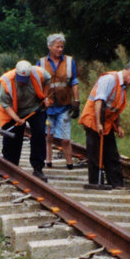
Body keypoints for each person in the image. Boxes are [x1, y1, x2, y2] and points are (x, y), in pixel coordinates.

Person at [78, 62, 130, 188]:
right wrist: (98, 124)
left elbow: (115, 108)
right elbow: (99, 101)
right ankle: (95, 183)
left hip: (107, 122)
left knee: (112, 154)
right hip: (93, 119)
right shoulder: (109, 79)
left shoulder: (122, 86)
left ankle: (116, 183)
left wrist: (118, 126)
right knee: (95, 154)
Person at [0, 59, 51, 181]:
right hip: (14, 111)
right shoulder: (6, 81)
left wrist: (44, 96)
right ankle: (10, 166)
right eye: (20, 81)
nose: (22, 83)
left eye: (25, 81)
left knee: (39, 133)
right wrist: (17, 119)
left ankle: (38, 168)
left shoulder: (38, 73)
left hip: (35, 108)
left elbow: (48, 79)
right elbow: (6, 105)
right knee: (13, 138)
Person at [37, 33, 80, 170]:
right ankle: (48, 161)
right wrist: (41, 99)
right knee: (48, 136)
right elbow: (36, 82)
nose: (60, 49)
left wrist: (76, 101)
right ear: (50, 47)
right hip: (47, 107)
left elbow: (74, 81)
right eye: (57, 47)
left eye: (62, 47)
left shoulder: (69, 61)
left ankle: (69, 163)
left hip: (64, 105)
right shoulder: (42, 62)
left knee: (65, 138)